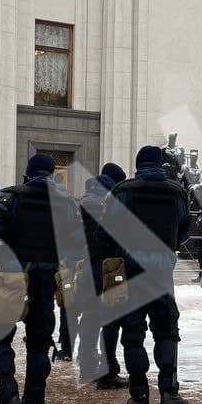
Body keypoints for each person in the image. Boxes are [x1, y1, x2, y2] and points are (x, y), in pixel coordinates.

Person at [0, 153, 82, 404]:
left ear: (28, 172)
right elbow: (75, 242)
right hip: (46, 279)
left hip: (11, 276)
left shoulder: (11, 196)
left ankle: (9, 395)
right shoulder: (68, 203)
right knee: (39, 341)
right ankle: (34, 401)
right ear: (52, 174)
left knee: (0, 335)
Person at [107, 145, 191, 404]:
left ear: (137, 164)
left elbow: (106, 229)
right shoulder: (176, 191)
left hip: (131, 273)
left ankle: (139, 396)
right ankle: (169, 392)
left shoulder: (124, 190)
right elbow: (184, 229)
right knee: (167, 331)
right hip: (162, 274)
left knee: (133, 336)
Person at [79, 163, 127, 388]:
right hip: (107, 269)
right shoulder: (108, 205)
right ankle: (107, 371)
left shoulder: (80, 204)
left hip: (84, 268)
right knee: (110, 319)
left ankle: (87, 366)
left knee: (89, 317)